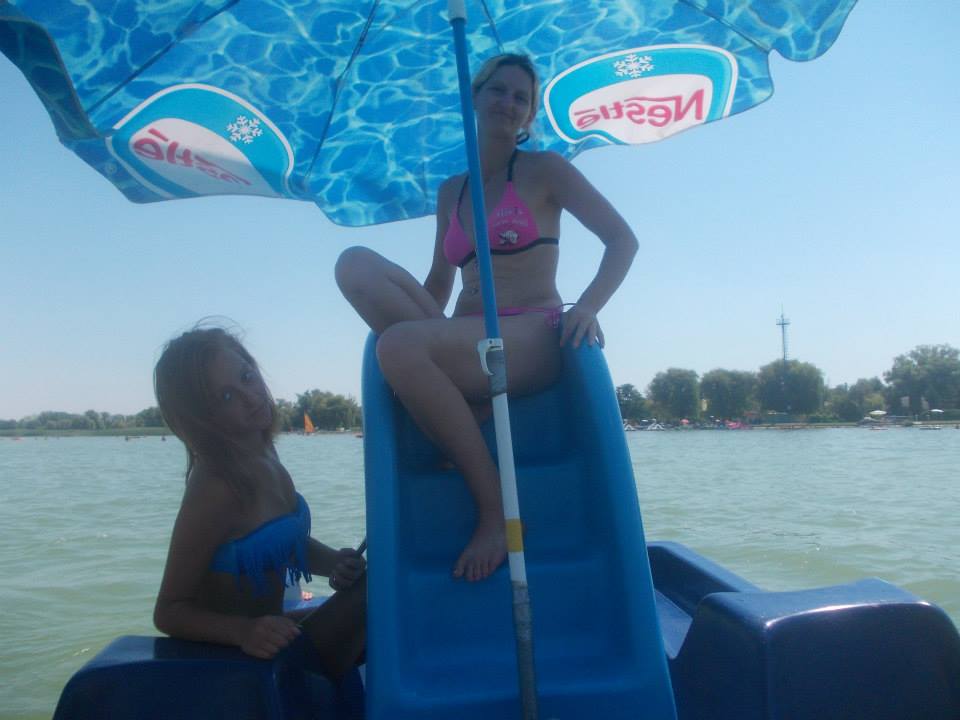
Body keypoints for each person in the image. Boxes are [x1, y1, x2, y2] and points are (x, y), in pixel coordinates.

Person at [336, 53, 638, 583]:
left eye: (521, 97)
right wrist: (422, 328)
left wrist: (588, 306)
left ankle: (497, 514)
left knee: (399, 347)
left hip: (532, 333)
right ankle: (460, 399)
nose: (508, 102)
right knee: (353, 264)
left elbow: (622, 240)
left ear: (529, 115)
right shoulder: (452, 190)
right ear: (474, 97)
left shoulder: (546, 170)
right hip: (469, 331)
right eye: (498, 90)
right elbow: (439, 281)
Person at [152, 325, 365, 678]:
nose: (251, 398)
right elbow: (168, 612)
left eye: (247, 377)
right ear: (201, 417)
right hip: (241, 660)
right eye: (226, 397)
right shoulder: (217, 486)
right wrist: (243, 632)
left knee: (384, 585)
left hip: (278, 633)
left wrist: (334, 563)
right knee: (380, 599)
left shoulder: (263, 451)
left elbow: (278, 542)